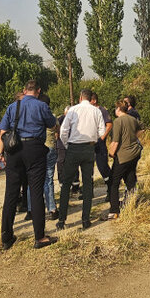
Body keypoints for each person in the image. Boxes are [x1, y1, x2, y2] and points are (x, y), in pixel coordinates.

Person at [0, 81, 59, 250]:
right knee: (36, 191)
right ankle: (39, 237)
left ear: (24, 91)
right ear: (38, 91)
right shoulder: (41, 106)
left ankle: (6, 237)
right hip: (34, 148)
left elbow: (3, 129)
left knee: (10, 193)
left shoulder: (12, 106)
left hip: (14, 150)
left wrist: (0, 153)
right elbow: (51, 124)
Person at [56, 88, 106, 230]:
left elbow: (63, 130)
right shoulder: (96, 111)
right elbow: (102, 131)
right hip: (89, 148)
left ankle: (61, 221)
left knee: (66, 183)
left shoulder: (73, 110)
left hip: (73, 147)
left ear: (80, 97)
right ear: (91, 99)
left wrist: (67, 145)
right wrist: (92, 140)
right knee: (88, 183)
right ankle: (85, 219)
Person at [107, 98, 144, 219]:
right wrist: (133, 137)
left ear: (118, 109)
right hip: (135, 153)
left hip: (123, 155)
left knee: (114, 182)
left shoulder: (118, 121)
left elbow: (115, 141)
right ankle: (132, 203)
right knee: (130, 178)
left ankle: (114, 210)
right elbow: (141, 130)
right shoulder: (133, 119)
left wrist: (111, 153)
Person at [90, 91, 113, 187]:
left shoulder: (102, 110)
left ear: (94, 101)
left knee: (102, 167)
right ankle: (89, 191)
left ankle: (110, 188)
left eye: (90, 100)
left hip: (99, 144)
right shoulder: (89, 111)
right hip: (90, 144)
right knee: (88, 169)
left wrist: (102, 138)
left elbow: (109, 124)